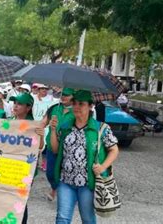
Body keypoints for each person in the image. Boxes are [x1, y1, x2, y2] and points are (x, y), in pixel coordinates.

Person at [50, 90, 119, 224]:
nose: (76, 107)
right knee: (62, 218)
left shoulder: (101, 128)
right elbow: (55, 149)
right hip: (66, 181)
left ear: (90, 106)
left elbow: (114, 150)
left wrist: (103, 167)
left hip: (88, 184)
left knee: (87, 219)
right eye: (74, 103)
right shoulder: (65, 127)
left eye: (81, 104)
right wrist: (53, 130)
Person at [9, 93, 45, 224]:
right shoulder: (8, 122)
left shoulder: (34, 126)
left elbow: (40, 147)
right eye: (15, 103)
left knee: (20, 200)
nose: (15, 106)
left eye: (19, 104)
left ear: (28, 107)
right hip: (7, 167)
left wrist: (41, 135)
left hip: (24, 170)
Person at [40, 88, 75, 202]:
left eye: (67, 95)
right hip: (52, 147)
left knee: (66, 174)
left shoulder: (76, 111)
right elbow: (42, 123)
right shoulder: (54, 108)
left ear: (73, 97)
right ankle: (54, 188)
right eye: (62, 94)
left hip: (69, 150)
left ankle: (65, 195)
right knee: (50, 173)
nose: (63, 97)